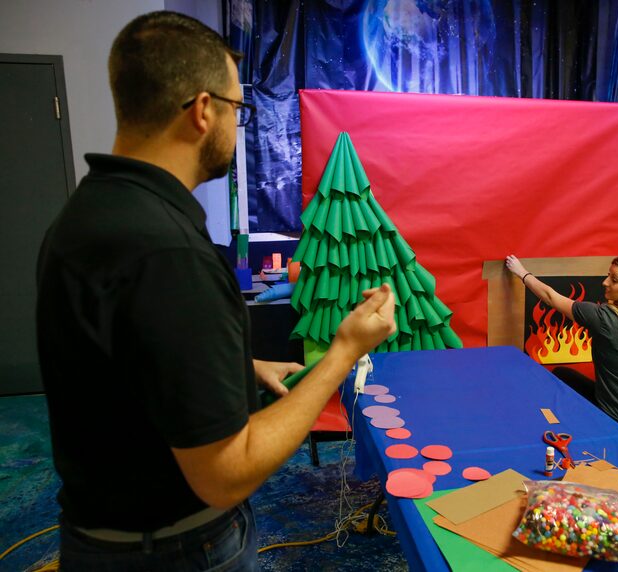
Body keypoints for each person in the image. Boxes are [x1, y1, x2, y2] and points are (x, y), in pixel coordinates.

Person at [35, 11, 396, 571]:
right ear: (204, 110)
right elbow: (228, 473)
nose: (239, 124)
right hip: (178, 552)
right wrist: (347, 349)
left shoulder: (90, 215)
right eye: (238, 108)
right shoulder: (167, 250)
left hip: (101, 537)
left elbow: (125, 355)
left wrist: (241, 363)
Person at [505, 253, 618, 469]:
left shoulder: (605, 319)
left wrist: (521, 272)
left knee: (561, 377)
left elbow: (551, 297)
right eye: (608, 275)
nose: (605, 282)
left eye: (614, 280)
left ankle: (602, 438)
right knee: (571, 378)